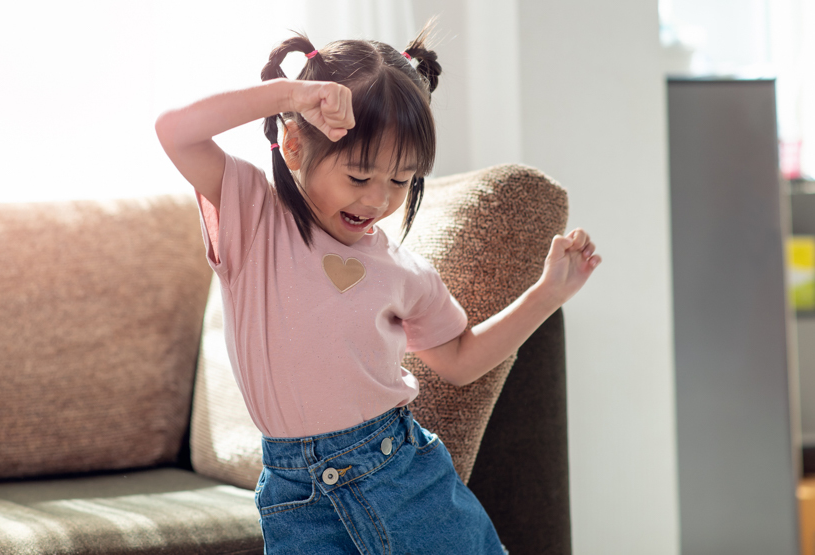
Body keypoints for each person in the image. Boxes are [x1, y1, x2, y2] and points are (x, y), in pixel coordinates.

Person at [155, 21, 600, 555]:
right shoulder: (254, 217)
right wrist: (293, 95)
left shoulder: (404, 272)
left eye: (401, 180)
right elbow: (175, 130)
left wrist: (547, 294)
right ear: (294, 146)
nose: (379, 200)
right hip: (295, 494)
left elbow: (460, 359)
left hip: (403, 474)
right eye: (360, 177)